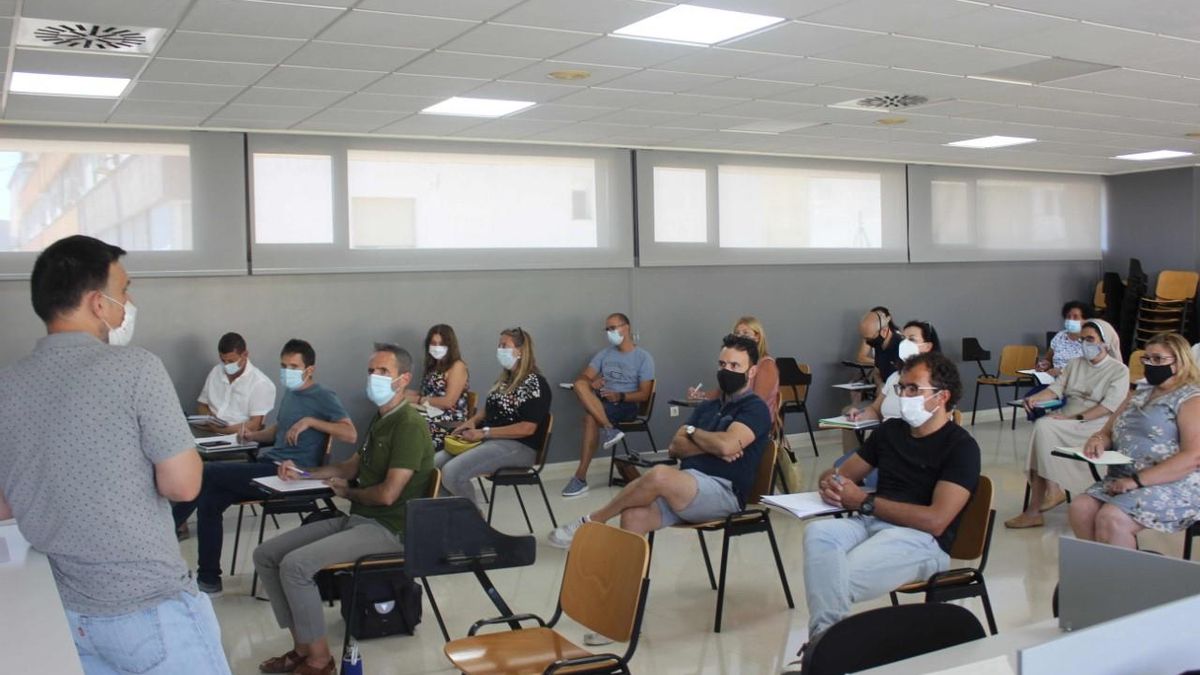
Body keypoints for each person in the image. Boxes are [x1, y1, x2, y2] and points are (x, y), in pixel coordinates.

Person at [0, 235, 231, 674]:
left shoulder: (6, 387)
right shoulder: (135, 368)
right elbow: (183, 484)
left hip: (66, 611)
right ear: (96, 302)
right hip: (149, 606)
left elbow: (5, 506)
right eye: (123, 290)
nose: (128, 301)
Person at [254, 343, 435, 675]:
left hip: (389, 530)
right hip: (358, 519)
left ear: (403, 379)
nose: (374, 378)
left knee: (295, 566)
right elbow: (351, 466)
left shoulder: (409, 424)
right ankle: (302, 649)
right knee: (266, 554)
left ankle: (321, 661)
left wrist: (349, 493)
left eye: (384, 372)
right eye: (371, 371)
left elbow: (387, 495)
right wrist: (305, 473)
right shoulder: (380, 418)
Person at [796, 352, 980, 659]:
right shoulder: (890, 431)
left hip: (924, 541)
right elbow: (842, 474)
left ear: (941, 397)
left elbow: (937, 520)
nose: (904, 396)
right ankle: (828, 651)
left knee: (836, 576)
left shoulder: (961, 447)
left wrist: (865, 501)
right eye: (901, 388)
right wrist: (832, 482)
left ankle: (823, 653)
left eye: (913, 389)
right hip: (873, 523)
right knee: (818, 535)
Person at [548, 334, 773, 549]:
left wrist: (696, 436)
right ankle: (630, 586)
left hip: (723, 492)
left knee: (660, 475)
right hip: (686, 485)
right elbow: (676, 447)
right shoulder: (708, 406)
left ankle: (593, 521)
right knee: (633, 515)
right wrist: (705, 439)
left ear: (751, 371)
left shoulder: (754, 408)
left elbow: (726, 446)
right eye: (722, 364)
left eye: (735, 366)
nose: (727, 371)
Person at [172, 338, 356, 596]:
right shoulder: (291, 394)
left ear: (309, 369)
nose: (286, 371)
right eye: (283, 365)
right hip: (269, 466)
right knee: (210, 499)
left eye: (293, 366)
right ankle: (209, 580)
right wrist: (252, 436)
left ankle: (164, 533)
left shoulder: (324, 396)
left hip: (293, 474)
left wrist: (311, 422)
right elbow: (278, 432)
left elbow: (350, 434)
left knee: (207, 472)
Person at [1069, 333, 1200, 549]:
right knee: (1080, 508)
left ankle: (1124, 580)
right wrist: (1098, 440)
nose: (1150, 364)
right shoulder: (1139, 393)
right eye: (1147, 359)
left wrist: (1137, 481)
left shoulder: (1190, 398)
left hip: (1174, 483)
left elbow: (1193, 457)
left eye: (1158, 359)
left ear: (1179, 362)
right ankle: (1100, 574)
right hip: (1123, 479)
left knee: (1111, 518)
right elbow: (1107, 431)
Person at [1005, 321, 1129, 529]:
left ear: (1105, 343)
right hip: (1066, 417)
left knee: (1043, 427)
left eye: (1090, 339)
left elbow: (1108, 408)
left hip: (1095, 424)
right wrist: (1037, 398)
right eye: (1083, 339)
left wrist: (1074, 419)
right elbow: (1055, 389)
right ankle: (1048, 494)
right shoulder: (1075, 364)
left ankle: (1040, 504)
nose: (1085, 344)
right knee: (1044, 426)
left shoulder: (1119, 370)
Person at [436, 327, 552, 508]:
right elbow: (489, 410)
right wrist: (470, 423)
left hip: (519, 446)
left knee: (452, 473)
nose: (500, 350)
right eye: (499, 346)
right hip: (491, 440)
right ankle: (448, 518)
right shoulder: (504, 380)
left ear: (520, 351)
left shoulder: (534, 383)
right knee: (434, 467)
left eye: (504, 346)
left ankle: (474, 523)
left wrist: (485, 432)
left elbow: (527, 428)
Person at [562, 313, 655, 497]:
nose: (609, 332)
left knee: (590, 418)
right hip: (603, 403)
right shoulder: (604, 354)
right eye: (607, 329)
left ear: (626, 327)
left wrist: (619, 396)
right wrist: (591, 383)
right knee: (580, 385)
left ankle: (580, 478)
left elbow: (644, 394)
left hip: (626, 405)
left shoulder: (643, 357)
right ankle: (609, 428)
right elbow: (583, 377)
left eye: (613, 328)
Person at [690, 316, 780, 423]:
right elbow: (721, 393)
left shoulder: (766, 365)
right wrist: (701, 395)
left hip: (753, 423)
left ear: (757, 337)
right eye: (737, 333)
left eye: (745, 333)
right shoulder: (738, 363)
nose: (740, 337)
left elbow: (757, 404)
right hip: (732, 418)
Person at [196, 331, 276, 436]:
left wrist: (219, 430)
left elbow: (255, 425)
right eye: (223, 360)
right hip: (208, 431)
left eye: (231, 361)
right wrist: (209, 418)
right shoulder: (216, 371)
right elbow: (202, 405)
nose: (226, 365)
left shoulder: (260, 383)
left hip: (236, 438)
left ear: (245, 355)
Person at [406, 324, 469, 451]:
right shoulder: (433, 366)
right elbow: (427, 393)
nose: (437, 347)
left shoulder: (457, 366)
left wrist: (417, 400)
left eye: (441, 344)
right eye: (433, 343)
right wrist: (401, 392)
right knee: (398, 413)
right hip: (430, 412)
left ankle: (410, 463)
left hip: (447, 420)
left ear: (450, 346)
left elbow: (448, 401)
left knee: (409, 424)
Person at [1040, 301, 1092, 377]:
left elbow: (1091, 369)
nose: (1071, 320)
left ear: (1086, 320)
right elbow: (1048, 359)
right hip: (1053, 381)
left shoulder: (1090, 340)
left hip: (1077, 383)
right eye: (1068, 316)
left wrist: (1062, 371)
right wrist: (1045, 364)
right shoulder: (1059, 336)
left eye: (1075, 317)